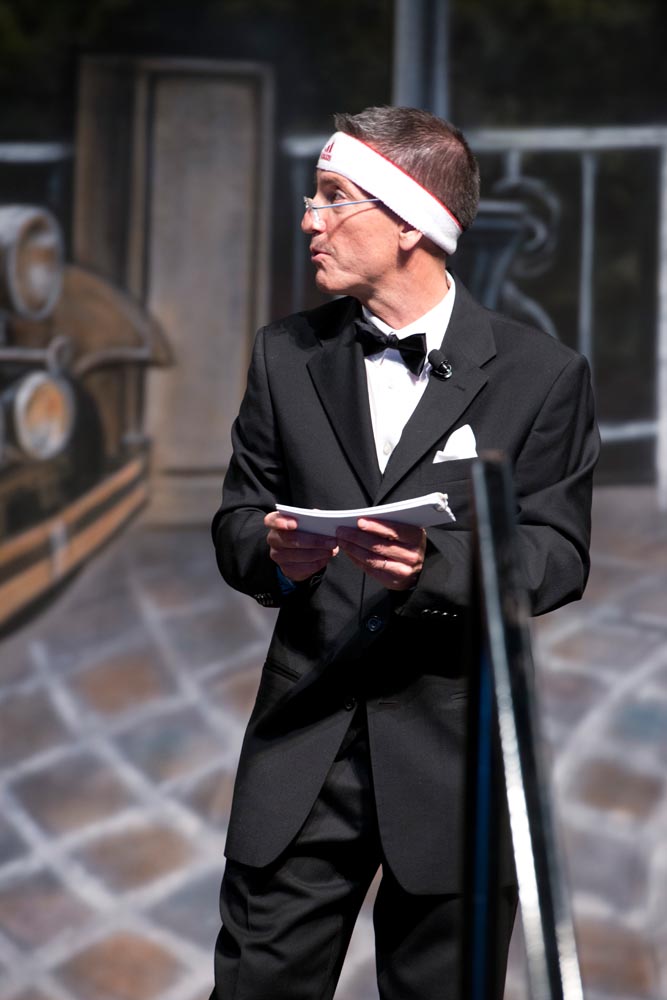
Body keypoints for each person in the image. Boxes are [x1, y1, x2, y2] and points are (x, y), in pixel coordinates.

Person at [210, 106, 599, 1000]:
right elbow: (237, 521)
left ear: (410, 222)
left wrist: (435, 565)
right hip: (301, 752)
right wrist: (271, 553)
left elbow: (556, 556)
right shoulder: (284, 356)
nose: (308, 219)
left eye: (332, 196)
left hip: (453, 764)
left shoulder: (542, 375)